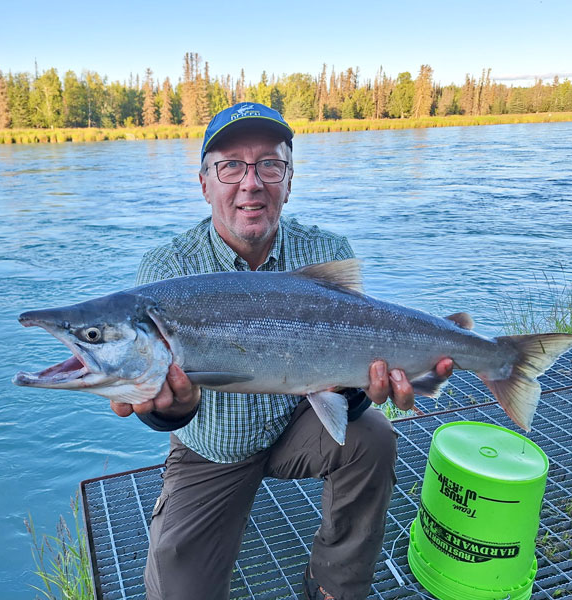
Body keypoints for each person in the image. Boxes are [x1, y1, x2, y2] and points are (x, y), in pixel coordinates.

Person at [110, 102, 453, 600]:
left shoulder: (326, 251)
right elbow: (154, 398)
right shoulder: (167, 270)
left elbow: (354, 365)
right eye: (230, 166)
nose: (251, 183)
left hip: (298, 422)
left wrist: (359, 390)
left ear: (289, 181)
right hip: (212, 448)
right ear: (204, 183)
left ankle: (334, 586)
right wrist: (166, 414)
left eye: (270, 164)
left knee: (373, 435)